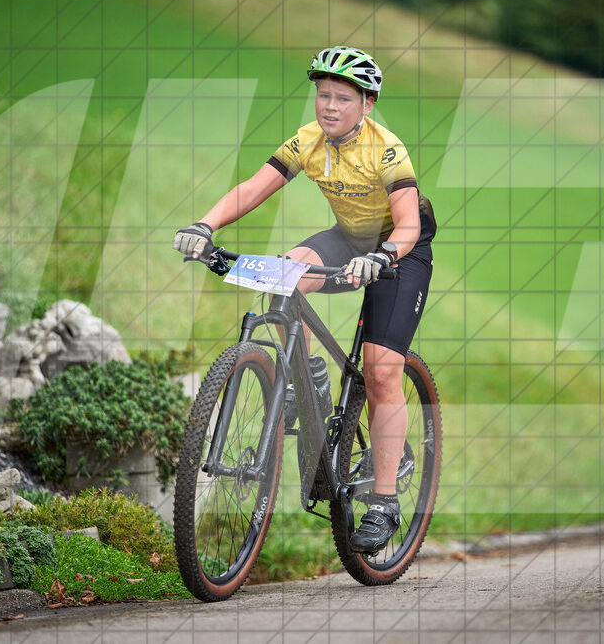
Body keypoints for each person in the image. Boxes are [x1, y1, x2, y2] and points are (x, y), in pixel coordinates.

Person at [172, 46, 436, 554]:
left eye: (342, 97)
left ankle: (383, 503)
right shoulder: (309, 142)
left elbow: (408, 224)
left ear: (368, 103)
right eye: (323, 95)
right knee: (283, 273)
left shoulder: (387, 150)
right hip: (348, 237)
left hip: (399, 252)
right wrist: (205, 225)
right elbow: (252, 189)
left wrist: (381, 258)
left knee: (382, 370)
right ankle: (308, 373)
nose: (329, 106)